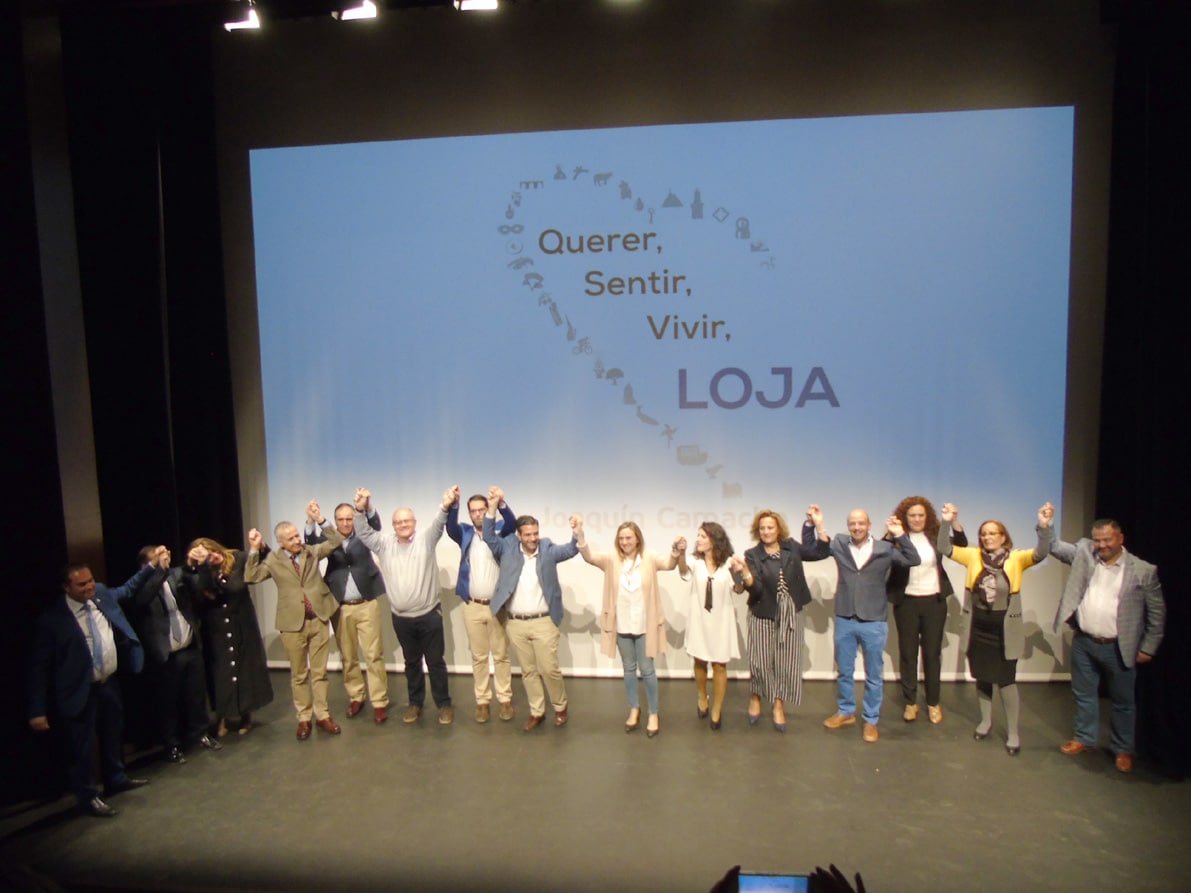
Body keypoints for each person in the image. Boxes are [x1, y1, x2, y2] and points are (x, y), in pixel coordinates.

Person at [28, 561, 156, 817]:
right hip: (79, 691)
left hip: (108, 684)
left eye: (90, 581)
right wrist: (37, 710)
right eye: (82, 584)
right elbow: (39, 669)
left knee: (112, 735)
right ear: (66, 587)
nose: (89, 587)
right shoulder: (52, 621)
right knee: (82, 749)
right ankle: (88, 796)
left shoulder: (101, 596)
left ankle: (116, 778)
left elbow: (128, 589)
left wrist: (151, 567)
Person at [937, 502, 1054, 755]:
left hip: (1003, 630)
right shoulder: (973, 555)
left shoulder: (1017, 558)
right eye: (984, 534)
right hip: (977, 627)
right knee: (983, 676)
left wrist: (1044, 526)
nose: (987, 537)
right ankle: (985, 721)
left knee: (1006, 681)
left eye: (993, 533)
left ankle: (1012, 732)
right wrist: (946, 521)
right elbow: (944, 547)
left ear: (1003, 537)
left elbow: (1042, 553)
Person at [1050, 518, 1164, 772]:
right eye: (1097, 540)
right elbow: (1054, 547)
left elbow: (1157, 615)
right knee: (1083, 693)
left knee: (1123, 701)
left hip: (1119, 647)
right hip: (1085, 641)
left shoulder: (1143, 570)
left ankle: (1122, 748)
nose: (1101, 545)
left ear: (1120, 539)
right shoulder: (1085, 555)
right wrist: (1045, 525)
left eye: (1107, 540)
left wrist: (1149, 647)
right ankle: (1084, 737)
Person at [352, 485, 454, 725]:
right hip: (401, 618)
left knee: (436, 662)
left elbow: (439, 523)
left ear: (415, 523)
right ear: (393, 525)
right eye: (398, 522)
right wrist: (359, 509)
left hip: (429, 615)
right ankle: (415, 703)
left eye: (407, 521)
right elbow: (363, 532)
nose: (403, 525)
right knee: (411, 663)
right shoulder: (384, 544)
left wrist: (446, 505)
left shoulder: (426, 541)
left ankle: (444, 704)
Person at [244, 501, 344, 740]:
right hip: (292, 624)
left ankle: (323, 716)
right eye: (291, 538)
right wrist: (254, 549)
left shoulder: (311, 551)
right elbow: (251, 576)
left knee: (319, 673)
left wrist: (320, 519)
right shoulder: (274, 560)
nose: (297, 540)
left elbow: (336, 541)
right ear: (280, 542)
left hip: (317, 618)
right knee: (299, 675)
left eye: (297, 535)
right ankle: (303, 718)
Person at [576, 518, 685, 737]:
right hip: (622, 624)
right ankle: (634, 708)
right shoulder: (611, 559)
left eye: (629, 538)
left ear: (637, 539)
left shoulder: (649, 558)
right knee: (628, 668)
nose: (625, 542)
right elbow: (589, 557)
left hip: (645, 624)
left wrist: (676, 550)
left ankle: (653, 713)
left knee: (647, 670)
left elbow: (670, 564)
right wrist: (580, 535)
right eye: (621, 538)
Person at [483, 487, 580, 731]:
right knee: (528, 671)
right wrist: (493, 506)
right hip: (515, 622)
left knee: (549, 669)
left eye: (536, 533)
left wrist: (577, 531)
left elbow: (571, 549)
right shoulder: (507, 549)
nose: (533, 538)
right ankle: (537, 711)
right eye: (528, 534)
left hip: (544, 621)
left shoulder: (547, 550)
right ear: (519, 535)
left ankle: (560, 707)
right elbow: (488, 536)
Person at [822, 509, 921, 743]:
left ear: (869, 524)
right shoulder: (839, 543)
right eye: (852, 523)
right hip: (845, 616)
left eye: (861, 523)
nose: (856, 527)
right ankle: (846, 712)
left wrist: (900, 535)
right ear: (848, 525)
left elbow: (913, 559)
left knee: (873, 674)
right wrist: (815, 524)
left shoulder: (885, 549)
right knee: (844, 671)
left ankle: (871, 720)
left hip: (874, 619)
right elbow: (814, 549)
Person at [737, 508, 831, 731]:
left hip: (791, 611)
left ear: (778, 529)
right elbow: (756, 588)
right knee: (759, 661)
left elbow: (820, 553)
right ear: (757, 531)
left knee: (785, 661)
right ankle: (756, 696)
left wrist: (819, 525)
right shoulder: (752, 554)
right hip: (762, 609)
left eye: (770, 527)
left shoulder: (791, 547)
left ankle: (778, 704)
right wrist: (747, 577)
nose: (766, 532)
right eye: (762, 528)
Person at [126, 544, 221, 763]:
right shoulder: (140, 586)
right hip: (165, 655)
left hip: (189, 647)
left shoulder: (174, 576)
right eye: (157, 559)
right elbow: (143, 599)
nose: (164, 562)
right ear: (145, 565)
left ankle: (201, 734)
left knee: (197, 696)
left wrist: (199, 564)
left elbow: (200, 584)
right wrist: (158, 570)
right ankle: (172, 745)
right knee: (168, 703)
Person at [179, 537, 273, 737]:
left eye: (211, 550)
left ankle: (246, 716)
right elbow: (206, 590)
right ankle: (222, 717)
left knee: (245, 669)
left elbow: (264, 559)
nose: (212, 555)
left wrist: (260, 545)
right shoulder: (203, 572)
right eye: (206, 555)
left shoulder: (237, 558)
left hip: (242, 624)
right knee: (220, 673)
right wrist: (201, 565)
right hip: (217, 628)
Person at [885, 497, 967, 724]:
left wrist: (954, 521)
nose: (917, 519)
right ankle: (910, 703)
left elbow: (960, 545)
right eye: (912, 515)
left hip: (934, 601)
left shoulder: (935, 535)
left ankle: (933, 703)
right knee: (908, 654)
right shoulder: (898, 537)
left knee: (932, 654)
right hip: (907, 602)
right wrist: (891, 532)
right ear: (905, 517)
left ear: (927, 516)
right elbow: (881, 551)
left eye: (921, 515)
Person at [306, 503, 390, 724]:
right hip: (340, 605)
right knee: (348, 655)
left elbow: (375, 524)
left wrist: (369, 506)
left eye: (349, 518)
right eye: (341, 519)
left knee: (373, 655)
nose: (345, 523)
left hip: (366, 602)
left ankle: (379, 702)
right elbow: (310, 544)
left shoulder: (363, 533)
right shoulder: (329, 538)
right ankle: (356, 696)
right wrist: (311, 520)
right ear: (335, 520)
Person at [446, 489, 518, 723]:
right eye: (473, 511)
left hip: (496, 605)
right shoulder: (465, 533)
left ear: (488, 510)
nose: (478, 514)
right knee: (478, 656)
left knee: (500, 655)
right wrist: (454, 505)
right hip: (473, 606)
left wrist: (501, 503)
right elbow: (450, 528)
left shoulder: (499, 532)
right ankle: (482, 702)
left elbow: (512, 522)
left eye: (482, 510)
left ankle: (505, 699)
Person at [682, 522, 739, 730]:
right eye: (698, 536)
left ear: (714, 539)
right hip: (699, 619)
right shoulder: (694, 562)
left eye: (703, 536)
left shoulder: (729, 563)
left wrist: (741, 572)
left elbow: (740, 588)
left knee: (719, 665)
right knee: (699, 660)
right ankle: (701, 696)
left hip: (721, 620)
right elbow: (681, 569)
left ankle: (716, 708)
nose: (698, 539)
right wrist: (679, 553)